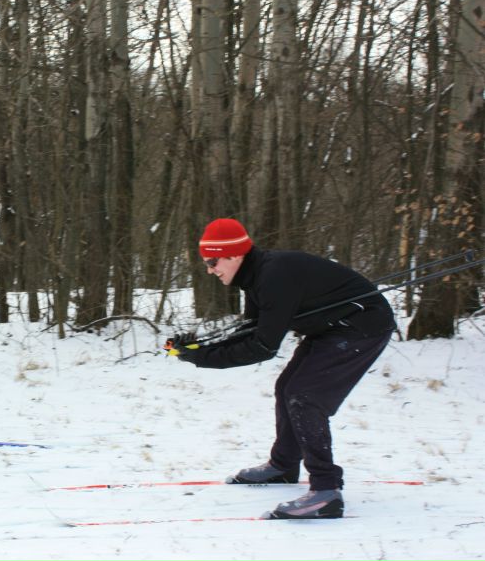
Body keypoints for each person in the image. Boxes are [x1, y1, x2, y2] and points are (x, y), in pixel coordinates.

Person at [167, 218, 395, 519]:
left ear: (234, 255)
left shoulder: (274, 276)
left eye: (212, 261)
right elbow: (250, 332)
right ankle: (284, 466)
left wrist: (201, 358)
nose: (210, 270)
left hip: (361, 327)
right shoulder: (254, 277)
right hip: (329, 328)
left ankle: (325, 491)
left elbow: (262, 347)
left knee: (304, 395)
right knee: (287, 387)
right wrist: (198, 349)